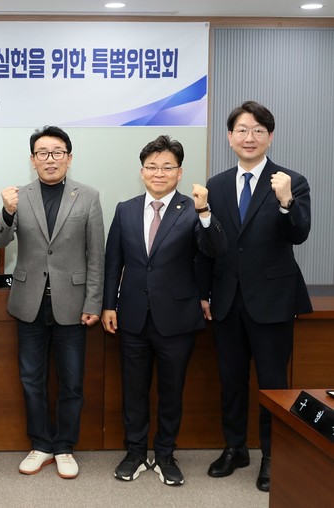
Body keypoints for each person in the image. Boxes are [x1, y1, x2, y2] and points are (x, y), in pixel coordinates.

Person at [199, 101, 312, 492]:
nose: (250, 137)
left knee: (273, 384)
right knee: (230, 380)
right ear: (230, 137)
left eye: (259, 130)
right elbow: (209, 246)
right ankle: (235, 449)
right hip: (227, 298)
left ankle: (271, 455)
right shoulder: (216, 184)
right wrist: (204, 293)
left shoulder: (291, 181)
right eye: (243, 130)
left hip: (273, 299)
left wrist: (286, 202)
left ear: (270, 137)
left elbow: (299, 234)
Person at [101, 135, 227, 486]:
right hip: (132, 316)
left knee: (171, 392)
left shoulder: (193, 209)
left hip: (177, 318)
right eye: (152, 167)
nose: (159, 173)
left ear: (179, 172)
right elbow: (113, 262)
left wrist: (205, 212)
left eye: (167, 167)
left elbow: (215, 249)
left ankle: (166, 454)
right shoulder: (125, 209)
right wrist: (108, 304)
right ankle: (135, 453)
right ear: (142, 171)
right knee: (134, 390)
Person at [0, 125, 104, 480]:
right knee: (31, 379)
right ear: (32, 159)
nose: (50, 159)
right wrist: (7, 212)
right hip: (29, 302)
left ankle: (64, 446)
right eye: (43, 153)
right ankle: (40, 445)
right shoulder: (18, 196)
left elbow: (96, 255)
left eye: (57, 152)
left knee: (72, 382)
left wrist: (94, 301)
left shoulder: (88, 196)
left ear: (69, 158)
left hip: (73, 303)